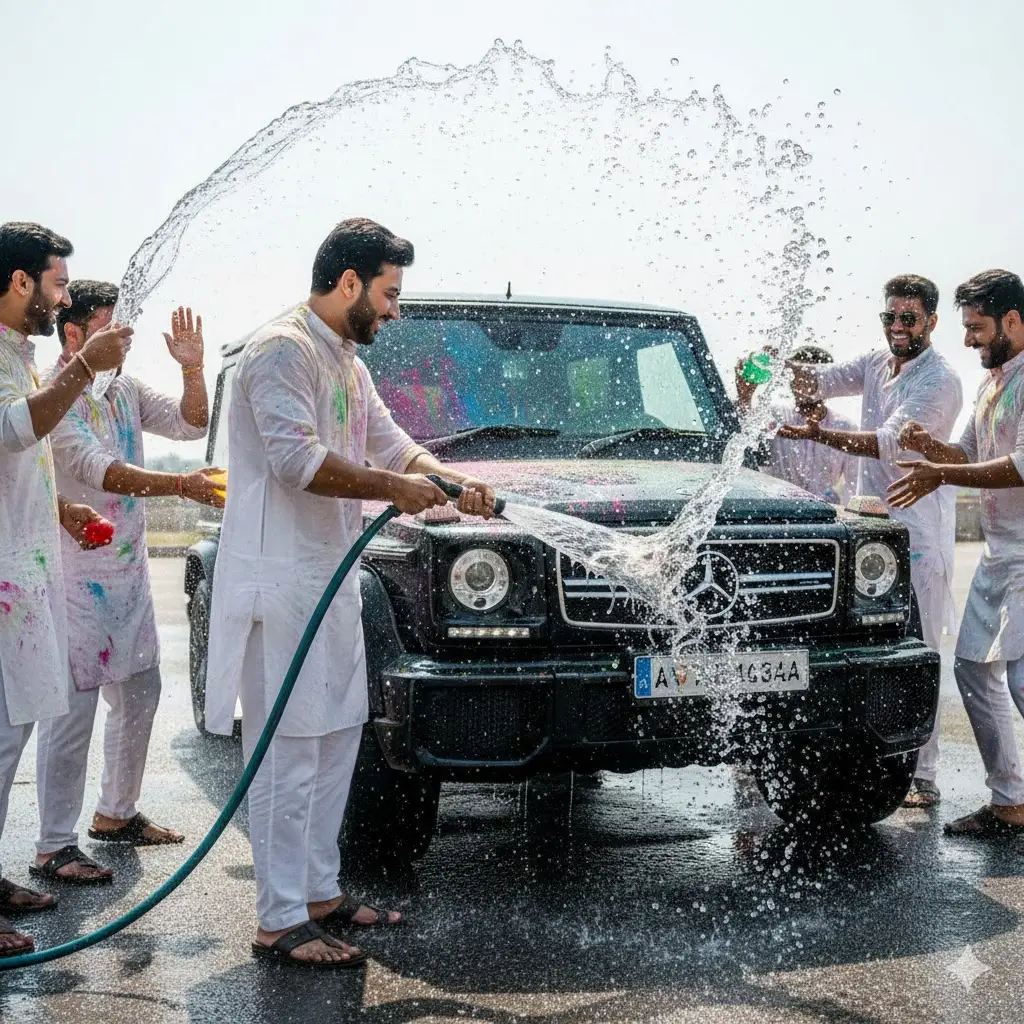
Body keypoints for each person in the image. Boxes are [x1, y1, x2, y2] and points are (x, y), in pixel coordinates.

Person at [205, 218, 497, 968]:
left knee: (336, 738)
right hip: (280, 584)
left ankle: (318, 895)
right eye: (389, 294)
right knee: (287, 752)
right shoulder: (281, 351)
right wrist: (396, 489)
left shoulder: (346, 363)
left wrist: (456, 482)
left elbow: (395, 447)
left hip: (330, 580)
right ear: (348, 284)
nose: (395, 311)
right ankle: (278, 920)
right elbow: (297, 463)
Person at [29, 281, 224, 889]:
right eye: (109, 328)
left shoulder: (124, 389)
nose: (122, 339)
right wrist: (183, 486)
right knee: (73, 714)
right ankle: (54, 845)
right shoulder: (53, 396)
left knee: (141, 694)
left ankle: (116, 812)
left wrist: (192, 369)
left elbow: (192, 424)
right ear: (73, 333)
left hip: (128, 575)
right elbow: (99, 471)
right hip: (74, 578)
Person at [779, 275, 962, 808]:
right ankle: (875, 759)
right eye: (890, 317)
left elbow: (886, 444)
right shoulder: (877, 362)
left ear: (931, 321)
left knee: (920, 650)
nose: (898, 327)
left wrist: (821, 435)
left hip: (919, 534)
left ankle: (925, 773)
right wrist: (775, 365)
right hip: (873, 534)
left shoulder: (941, 380)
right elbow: (820, 381)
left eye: (909, 318)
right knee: (873, 650)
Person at [0, 223, 131, 956]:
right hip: (5, 582)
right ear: (20, 281)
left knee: (11, 733)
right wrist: (83, 366)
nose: (63, 297)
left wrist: (58, 508)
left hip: (23, 570)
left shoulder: (16, 355)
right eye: (57, 283)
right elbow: (14, 430)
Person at [888, 270, 1024, 837]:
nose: (968, 340)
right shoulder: (994, 384)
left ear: (1012, 320)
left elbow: (1019, 466)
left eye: (977, 328)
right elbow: (966, 452)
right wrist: (930, 448)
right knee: (971, 669)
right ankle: (1010, 801)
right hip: (999, 554)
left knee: (1021, 681)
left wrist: (940, 473)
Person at [735, 343, 859, 504]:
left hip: (826, 513)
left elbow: (855, 490)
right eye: (794, 377)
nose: (800, 384)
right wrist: (745, 398)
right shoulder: (775, 417)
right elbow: (744, 438)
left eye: (807, 378)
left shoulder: (846, 428)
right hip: (778, 508)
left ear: (827, 382)